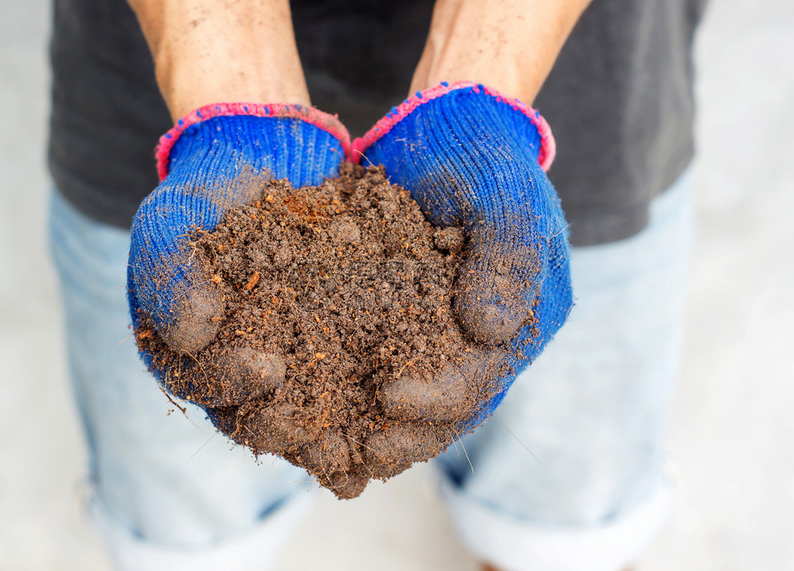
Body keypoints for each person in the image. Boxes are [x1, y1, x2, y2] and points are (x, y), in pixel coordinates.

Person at [48, 0, 706, 569]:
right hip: (177, 91)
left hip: (569, 71)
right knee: (184, 532)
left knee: (565, 528)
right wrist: (226, 73)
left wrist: (485, 79)